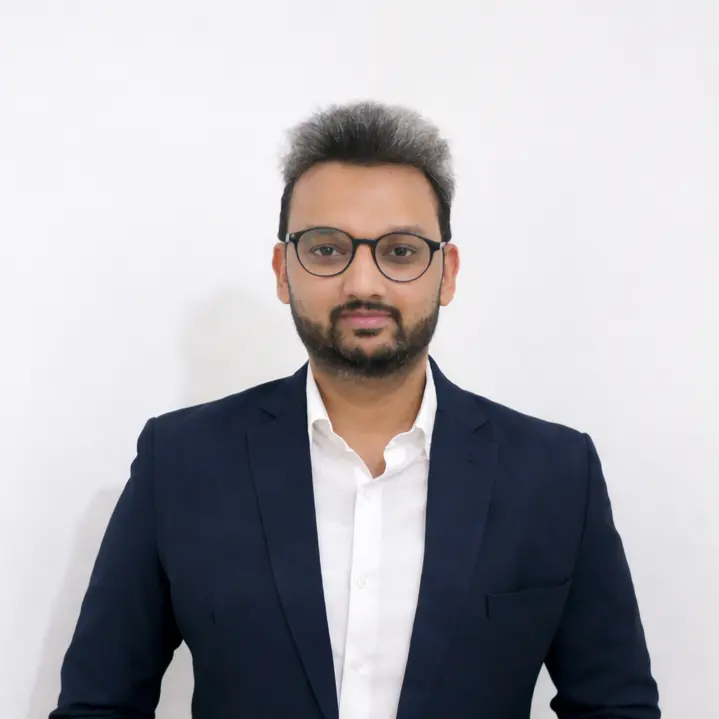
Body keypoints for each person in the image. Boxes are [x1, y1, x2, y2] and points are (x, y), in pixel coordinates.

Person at [50, 101, 660, 719]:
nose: (363, 283)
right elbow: (99, 705)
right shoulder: (181, 462)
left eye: (400, 251)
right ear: (283, 271)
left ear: (446, 273)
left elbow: (615, 706)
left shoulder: (555, 475)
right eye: (326, 248)